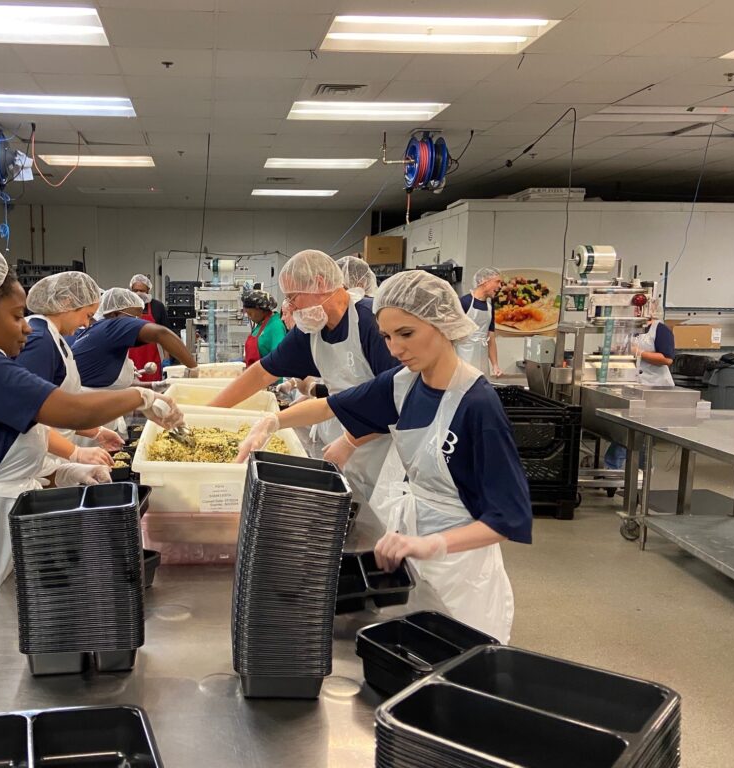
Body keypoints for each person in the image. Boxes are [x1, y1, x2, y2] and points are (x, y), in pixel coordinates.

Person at [0, 241, 185, 672]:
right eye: (16, 316)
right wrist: (140, 397)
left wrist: (65, 473)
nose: (27, 328)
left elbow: (0, 458)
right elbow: (68, 411)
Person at [236, 270, 532, 643]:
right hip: (410, 543)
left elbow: (509, 517)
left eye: (406, 334)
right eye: (387, 337)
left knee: (457, 657)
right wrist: (273, 421)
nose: (394, 350)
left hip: (461, 566)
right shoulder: (405, 383)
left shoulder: (477, 405)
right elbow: (330, 406)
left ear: (442, 323)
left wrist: (435, 545)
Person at [209, 249, 399, 508]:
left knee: (380, 525)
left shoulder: (370, 322)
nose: (290, 307)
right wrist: (208, 414)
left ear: (320, 283)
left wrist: (351, 441)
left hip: (382, 450)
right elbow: (263, 372)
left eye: (293, 297)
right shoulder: (312, 329)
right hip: (341, 446)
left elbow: (395, 397)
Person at [15, 271, 124, 456]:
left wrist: (96, 432)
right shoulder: (40, 340)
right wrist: (74, 453)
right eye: (87, 315)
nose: (86, 324)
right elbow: (27, 413)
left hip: (50, 452)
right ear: (67, 303)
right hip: (37, 455)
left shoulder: (54, 337)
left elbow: (56, 408)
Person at [73, 287, 197, 390]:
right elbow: (162, 334)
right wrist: (195, 371)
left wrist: (155, 385)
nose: (137, 322)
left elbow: (113, 383)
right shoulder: (111, 326)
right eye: (134, 318)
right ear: (114, 314)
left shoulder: (98, 334)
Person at [604, 297, 675, 471]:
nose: (634, 312)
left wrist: (639, 352)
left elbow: (667, 359)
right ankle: (612, 469)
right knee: (625, 431)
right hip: (633, 386)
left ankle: (643, 474)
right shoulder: (631, 329)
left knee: (645, 437)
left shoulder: (661, 330)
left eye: (638, 309)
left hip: (656, 390)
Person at [457, 267, 503, 377]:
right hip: (463, 359)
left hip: (482, 361)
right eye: (497, 282)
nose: (500, 286)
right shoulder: (464, 303)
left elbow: (491, 338)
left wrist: (495, 365)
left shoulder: (489, 307)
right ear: (484, 281)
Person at [127, 274, 171, 382]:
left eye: (142, 291)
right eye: (135, 290)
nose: (138, 293)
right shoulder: (125, 306)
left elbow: (166, 335)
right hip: (129, 359)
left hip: (151, 361)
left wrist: (166, 358)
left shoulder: (157, 307)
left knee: (152, 390)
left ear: (148, 291)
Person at [241, 289, 287, 368]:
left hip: (267, 376)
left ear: (262, 310)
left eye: (250, 313)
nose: (249, 316)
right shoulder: (260, 324)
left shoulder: (276, 326)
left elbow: (279, 360)